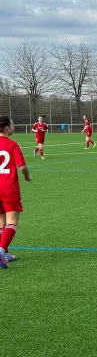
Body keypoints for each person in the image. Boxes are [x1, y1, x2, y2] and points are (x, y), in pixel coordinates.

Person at [0, 115, 32, 268]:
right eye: (12, 124)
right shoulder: (12, 144)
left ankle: (4, 253)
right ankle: (0, 250)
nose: (13, 126)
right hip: (8, 188)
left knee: (1, 223)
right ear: (6, 128)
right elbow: (23, 166)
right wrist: (27, 176)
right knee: (12, 222)